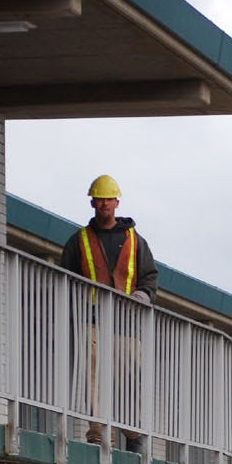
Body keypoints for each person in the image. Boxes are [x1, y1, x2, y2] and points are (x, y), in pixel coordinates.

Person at [59, 174, 158, 447]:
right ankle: (98, 434)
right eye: (99, 200)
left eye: (108, 200)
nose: (104, 205)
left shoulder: (135, 241)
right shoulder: (79, 240)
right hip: (91, 319)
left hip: (125, 322)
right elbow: (63, 277)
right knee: (93, 374)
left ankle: (133, 434)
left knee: (128, 377)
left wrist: (143, 294)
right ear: (92, 202)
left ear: (117, 202)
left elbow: (149, 276)